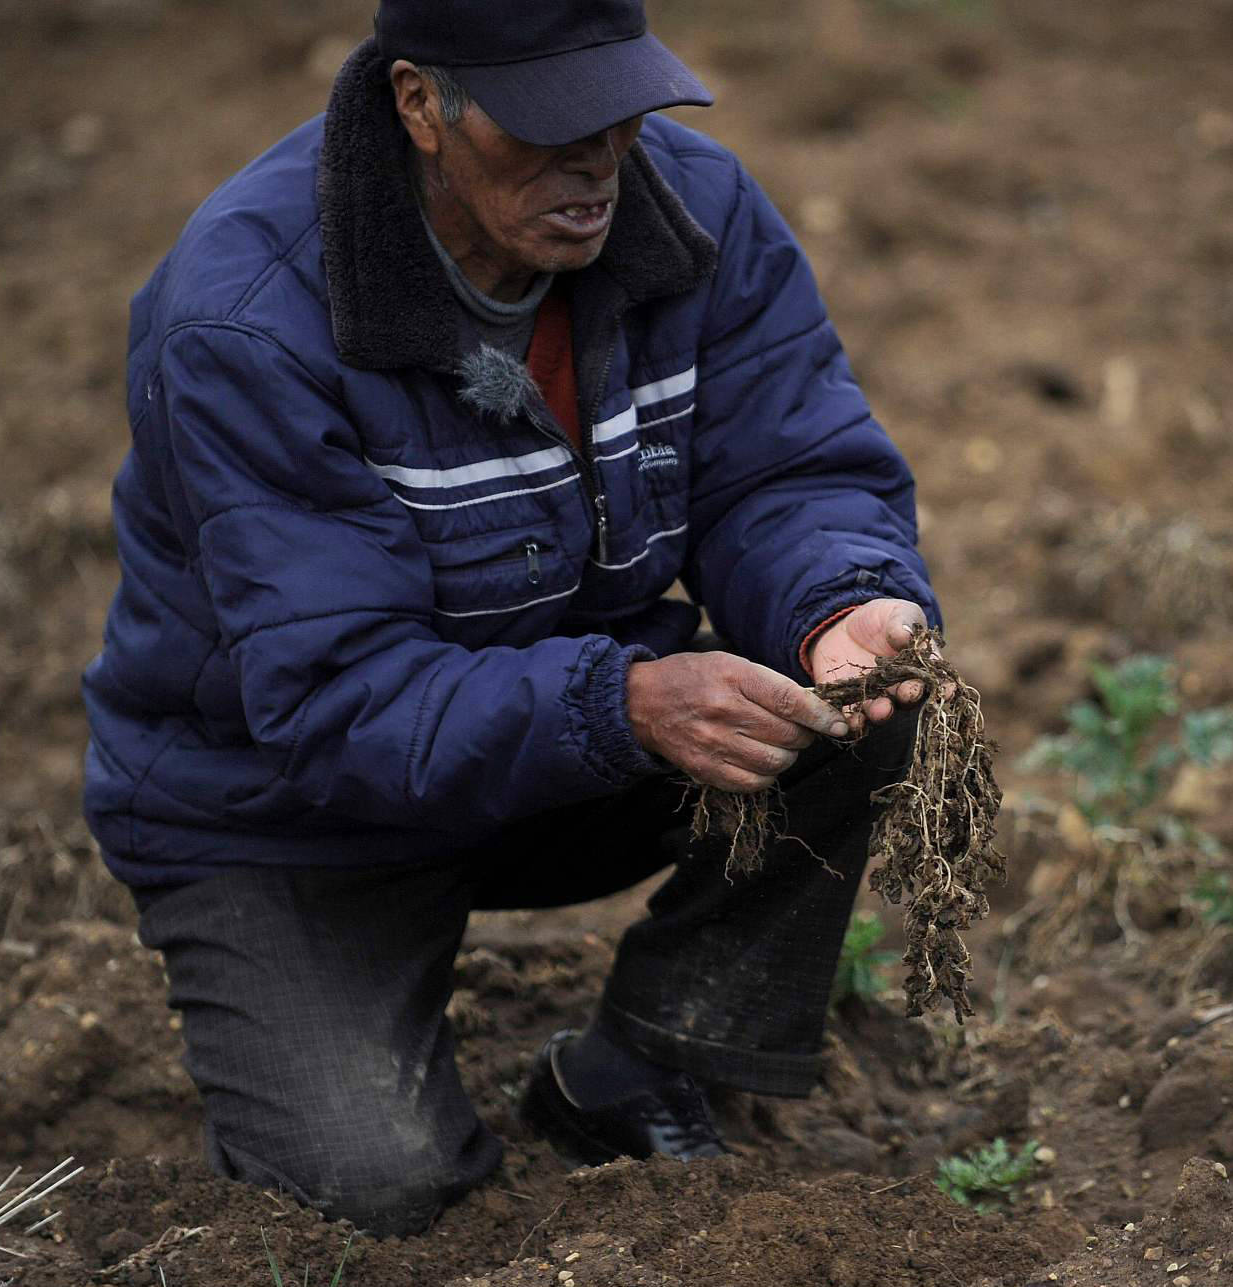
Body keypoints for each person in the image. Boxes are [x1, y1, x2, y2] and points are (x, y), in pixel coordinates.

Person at [81, 0, 942, 1236]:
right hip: (290, 812)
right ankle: (325, 1007)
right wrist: (622, 703)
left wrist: (837, 605)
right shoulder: (248, 316)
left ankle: (643, 1062)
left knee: (873, 694)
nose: (598, 161)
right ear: (422, 105)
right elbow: (337, 697)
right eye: (549, 127)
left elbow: (785, 472)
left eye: (621, 114)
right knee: (372, 1192)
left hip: (565, 744)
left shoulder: (694, 213)